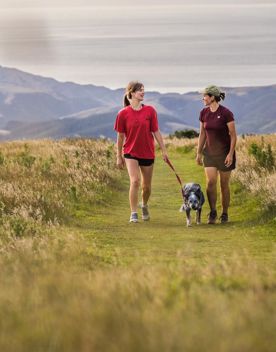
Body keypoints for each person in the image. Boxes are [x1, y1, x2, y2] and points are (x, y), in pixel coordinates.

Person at [114, 81, 169, 223]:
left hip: (148, 152)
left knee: (147, 187)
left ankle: (144, 205)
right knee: (135, 181)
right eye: (140, 90)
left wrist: (163, 150)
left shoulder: (150, 111)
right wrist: (119, 156)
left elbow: (155, 131)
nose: (143, 92)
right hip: (130, 152)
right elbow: (120, 137)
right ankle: (133, 213)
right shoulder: (123, 113)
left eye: (143, 90)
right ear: (132, 93)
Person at [196, 85, 237, 224]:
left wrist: (230, 154)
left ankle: (224, 213)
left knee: (224, 184)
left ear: (212, 97)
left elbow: (233, 135)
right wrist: (198, 152)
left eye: (205, 96)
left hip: (225, 154)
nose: (203, 98)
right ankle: (213, 212)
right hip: (209, 154)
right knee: (211, 182)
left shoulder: (226, 113)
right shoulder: (203, 113)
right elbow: (202, 134)